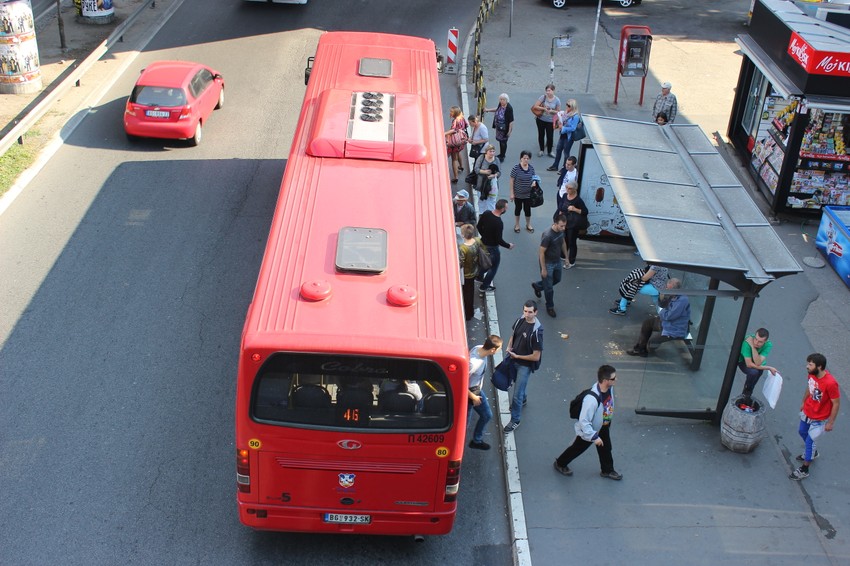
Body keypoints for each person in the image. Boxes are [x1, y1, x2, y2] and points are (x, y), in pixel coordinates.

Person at [553, 365, 622, 481]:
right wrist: (594, 436)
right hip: (591, 429)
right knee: (578, 448)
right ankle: (560, 463)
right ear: (605, 381)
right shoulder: (591, 400)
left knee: (605, 447)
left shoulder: (609, 388)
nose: (616, 380)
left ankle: (607, 470)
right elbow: (584, 421)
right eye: (614, 378)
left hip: (603, 425)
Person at [790, 353, 840, 481]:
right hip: (808, 411)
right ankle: (812, 452)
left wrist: (830, 422)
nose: (807, 366)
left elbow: (836, 403)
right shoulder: (812, 374)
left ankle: (805, 469)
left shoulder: (831, 383)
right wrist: (803, 401)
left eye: (810, 364)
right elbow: (809, 387)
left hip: (820, 418)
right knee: (802, 431)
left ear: (820, 366)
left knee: (810, 441)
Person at [503, 300, 543, 433]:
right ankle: (523, 399)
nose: (527, 314)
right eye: (525, 311)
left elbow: (536, 356)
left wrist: (518, 357)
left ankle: (515, 420)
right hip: (514, 359)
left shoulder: (537, 332)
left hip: (524, 365)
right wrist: (509, 347)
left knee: (516, 394)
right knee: (517, 385)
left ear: (536, 312)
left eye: (530, 312)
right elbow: (514, 335)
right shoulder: (520, 320)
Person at [625, 278, 690, 357]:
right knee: (647, 323)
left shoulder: (682, 301)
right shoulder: (672, 294)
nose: (666, 290)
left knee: (651, 343)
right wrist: (661, 297)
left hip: (674, 328)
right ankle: (640, 349)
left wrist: (661, 313)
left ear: (674, 289)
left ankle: (648, 350)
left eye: (668, 289)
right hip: (665, 322)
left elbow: (669, 316)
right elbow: (662, 305)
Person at [467, 335, 503, 450]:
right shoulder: (474, 363)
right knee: (464, 425)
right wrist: (473, 397)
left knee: (487, 415)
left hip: (477, 390)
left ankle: (476, 440)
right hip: (469, 395)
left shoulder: (478, 348)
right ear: (493, 350)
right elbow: (460, 382)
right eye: (499, 349)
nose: (499, 350)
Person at [531, 213, 568, 318]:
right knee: (549, 288)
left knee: (557, 279)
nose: (563, 228)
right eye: (561, 226)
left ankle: (538, 286)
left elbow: (563, 243)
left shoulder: (561, 232)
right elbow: (541, 252)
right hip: (548, 263)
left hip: (557, 261)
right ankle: (550, 307)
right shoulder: (548, 235)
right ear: (555, 224)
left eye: (565, 226)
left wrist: (567, 257)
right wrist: (543, 269)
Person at [477, 198, 515, 293]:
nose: (507, 209)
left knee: (484, 262)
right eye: (506, 208)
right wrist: (508, 245)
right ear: (502, 209)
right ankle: (484, 286)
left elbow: (478, 226)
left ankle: (478, 276)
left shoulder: (486, 213)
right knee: (493, 267)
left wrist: (484, 235)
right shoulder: (499, 223)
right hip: (492, 248)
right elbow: (499, 240)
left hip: (483, 243)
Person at [738, 328, 778, 400]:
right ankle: (747, 391)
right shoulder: (747, 342)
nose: (756, 343)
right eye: (755, 339)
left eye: (760, 342)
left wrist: (753, 347)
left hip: (757, 362)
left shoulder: (768, 345)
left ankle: (748, 392)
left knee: (758, 372)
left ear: (765, 341)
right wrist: (769, 368)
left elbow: (758, 363)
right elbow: (749, 364)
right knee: (753, 372)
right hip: (743, 361)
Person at [556, 181, 588, 269]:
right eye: (567, 188)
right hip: (564, 222)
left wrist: (574, 209)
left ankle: (571, 260)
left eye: (570, 188)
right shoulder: (565, 196)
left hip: (573, 224)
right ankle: (563, 255)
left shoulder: (578, 200)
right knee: (564, 239)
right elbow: (561, 206)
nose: (567, 190)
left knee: (572, 242)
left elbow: (585, 211)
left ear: (574, 189)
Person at [509, 150, 537, 233]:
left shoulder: (531, 168)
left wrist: (534, 182)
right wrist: (511, 193)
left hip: (528, 194)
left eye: (528, 158)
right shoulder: (516, 168)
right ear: (521, 158)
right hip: (518, 194)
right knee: (518, 209)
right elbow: (511, 180)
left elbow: (534, 178)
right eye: (524, 158)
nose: (526, 160)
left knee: (527, 210)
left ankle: (528, 224)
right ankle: (517, 224)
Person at [548, 99, 580, 171]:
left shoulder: (575, 116)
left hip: (569, 137)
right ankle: (555, 165)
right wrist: (559, 122)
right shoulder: (565, 113)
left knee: (566, 152)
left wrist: (563, 128)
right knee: (558, 150)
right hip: (562, 135)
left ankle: (565, 168)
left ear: (573, 107)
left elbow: (573, 128)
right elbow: (561, 119)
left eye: (569, 105)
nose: (567, 106)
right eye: (566, 104)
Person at [458, 224, 481, 321]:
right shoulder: (477, 241)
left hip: (466, 274)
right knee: (470, 292)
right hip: (474, 270)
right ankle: (470, 312)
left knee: (465, 294)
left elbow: (460, 263)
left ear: (463, 235)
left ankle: (467, 313)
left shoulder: (463, 248)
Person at [532, 84, 561, 158]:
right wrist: (544, 109)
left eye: (549, 90)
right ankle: (541, 150)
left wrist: (551, 111)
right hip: (541, 119)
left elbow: (558, 111)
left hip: (550, 121)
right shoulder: (543, 97)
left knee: (550, 136)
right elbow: (535, 106)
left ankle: (550, 151)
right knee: (541, 134)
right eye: (547, 90)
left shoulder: (557, 100)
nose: (548, 92)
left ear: (553, 90)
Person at [485, 93, 514, 162]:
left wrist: (509, 131)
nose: (502, 101)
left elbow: (511, 121)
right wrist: (488, 110)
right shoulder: (500, 105)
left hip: (505, 129)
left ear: (507, 100)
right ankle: (501, 154)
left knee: (503, 142)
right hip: (499, 128)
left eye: (503, 99)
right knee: (500, 141)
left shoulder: (509, 108)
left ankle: (503, 156)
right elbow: (497, 109)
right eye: (500, 99)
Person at [472, 145, 501, 214]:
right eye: (490, 151)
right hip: (481, 183)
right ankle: (481, 214)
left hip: (492, 184)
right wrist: (485, 172)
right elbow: (476, 169)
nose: (492, 153)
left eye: (493, 151)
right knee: (481, 200)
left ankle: (491, 214)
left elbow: (499, 172)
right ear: (486, 152)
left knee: (492, 200)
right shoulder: (481, 158)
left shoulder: (496, 159)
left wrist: (494, 175)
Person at [445, 106, 468, 183]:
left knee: (454, 159)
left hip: (455, 141)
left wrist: (445, 133)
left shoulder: (455, 120)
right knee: (458, 153)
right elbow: (466, 125)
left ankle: (456, 177)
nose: (450, 113)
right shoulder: (462, 118)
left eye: (452, 112)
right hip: (461, 140)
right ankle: (461, 166)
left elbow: (453, 130)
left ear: (455, 113)